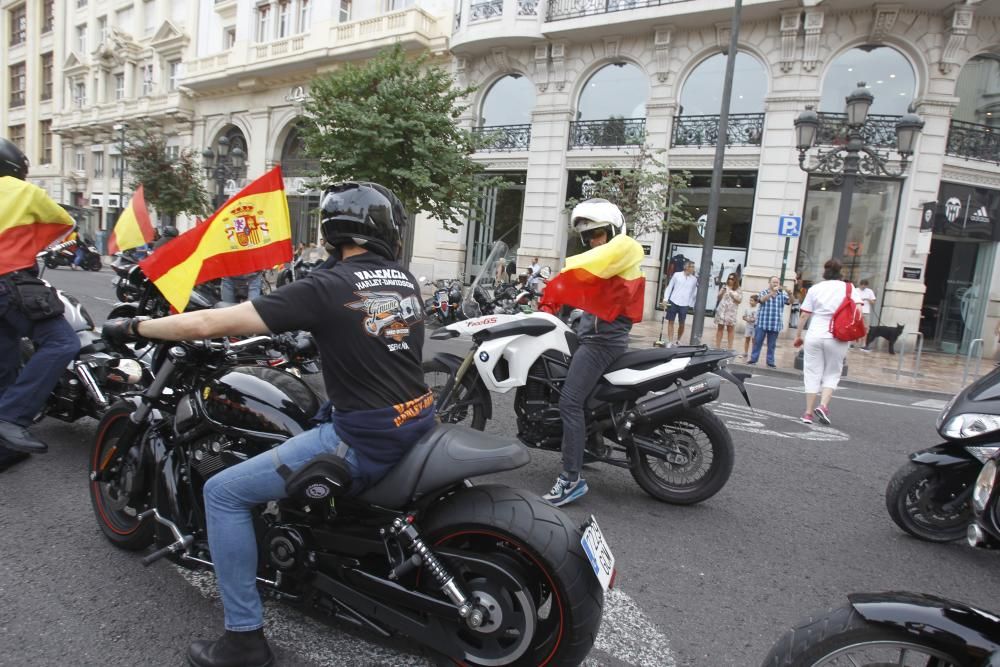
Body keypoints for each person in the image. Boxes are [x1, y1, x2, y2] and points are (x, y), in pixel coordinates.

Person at [103, 181, 434, 667]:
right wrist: (311, 340)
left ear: (332, 232)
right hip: (415, 417)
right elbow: (375, 333)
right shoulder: (401, 280)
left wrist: (133, 327)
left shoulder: (328, 286)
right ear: (387, 230)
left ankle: (243, 641)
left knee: (223, 492)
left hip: (362, 438)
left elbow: (206, 325)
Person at [538, 198, 643, 506]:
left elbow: (578, 272)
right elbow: (580, 287)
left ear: (614, 230)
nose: (593, 241)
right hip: (594, 337)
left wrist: (554, 284)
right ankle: (589, 447)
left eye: (598, 234)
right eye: (588, 237)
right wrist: (548, 302)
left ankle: (570, 479)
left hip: (602, 342)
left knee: (569, 402)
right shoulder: (609, 262)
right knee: (579, 396)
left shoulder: (626, 248)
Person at [0, 137, 80, 470]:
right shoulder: (25, 192)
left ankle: (4, 450)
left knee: (5, 363)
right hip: (10, 283)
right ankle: (10, 418)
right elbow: (64, 225)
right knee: (63, 342)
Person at [793, 259, 863, 425]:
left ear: (824, 272)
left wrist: (798, 335)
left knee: (812, 373)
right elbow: (858, 310)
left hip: (815, 333)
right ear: (841, 272)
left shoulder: (815, 288)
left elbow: (804, 315)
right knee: (832, 372)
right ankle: (823, 406)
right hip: (837, 335)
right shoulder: (848, 287)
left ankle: (808, 413)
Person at [748, 276, 790, 368]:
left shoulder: (782, 294)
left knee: (772, 345)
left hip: (775, 324)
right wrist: (772, 293)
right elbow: (761, 300)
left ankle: (770, 362)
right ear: (769, 283)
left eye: (777, 282)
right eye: (774, 282)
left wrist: (791, 294)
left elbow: (790, 301)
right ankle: (753, 359)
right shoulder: (764, 292)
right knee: (757, 342)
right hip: (762, 323)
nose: (775, 284)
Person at [662, 261, 698, 346]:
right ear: (686, 267)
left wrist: (692, 303)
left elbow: (694, 292)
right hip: (673, 300)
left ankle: (678, 339)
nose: (693, 269)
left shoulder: (694, 279)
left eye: (693, 267)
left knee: (682, 323)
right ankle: (670, 341)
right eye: (691, 267)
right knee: (671, 321)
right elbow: (670, 287)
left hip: (684, 303)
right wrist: (665, 299)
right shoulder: (677, 275)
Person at [713, 273, 742, 350]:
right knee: (720, 328)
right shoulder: (724, 287)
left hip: (731, 312)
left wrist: (732, 294)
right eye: (729, 278)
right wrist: (722, 292)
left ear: (735, 280)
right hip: (722, 310)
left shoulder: (738, 289)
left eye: (732, 279)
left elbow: (739, 301)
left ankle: (730, 348)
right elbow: (718, 298)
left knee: (730, 329)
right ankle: (717, 347)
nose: (730, 280)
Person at [855, 279, 877, 348]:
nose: (863, 287)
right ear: (860, 284)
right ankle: (853, 343)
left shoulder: (870, 291)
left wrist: (868, 299)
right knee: (855, 327)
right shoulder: (855, 290)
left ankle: (863, 343)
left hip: (866, 312)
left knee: (865, 328)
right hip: (857, 311)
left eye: (865, 285)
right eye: (862, 285)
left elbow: (873, 302)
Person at [741, 293, 759, 358]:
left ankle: (753, 353)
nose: (750, 302)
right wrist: (747, 319)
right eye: (750, 300)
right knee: (747, 339)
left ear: (756, 302)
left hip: (755, 327)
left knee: (754, 340)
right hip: (748, 326)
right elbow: (743, 317)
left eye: (752, 300)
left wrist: (754, 320)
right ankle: (745, 352)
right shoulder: (747, 308)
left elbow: (758, 318)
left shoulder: (758, 309)